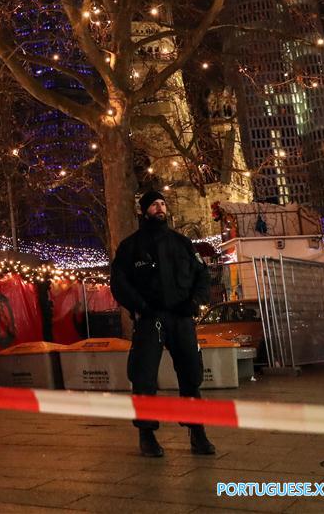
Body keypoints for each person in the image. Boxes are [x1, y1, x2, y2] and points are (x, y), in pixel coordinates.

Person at [110, 190, 216, 457]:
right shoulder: (130, 247)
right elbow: (119, 283)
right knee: (144, 377)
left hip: (182, 318)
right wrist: (141, 308)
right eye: (154, 204)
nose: (160, 207)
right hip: (150, 319)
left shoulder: (182, 243)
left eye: (162, 203)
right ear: (144, 211)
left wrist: (194, 303)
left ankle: (198, 433)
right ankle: (146, 435)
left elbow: (202, 276)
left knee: (191, 375)